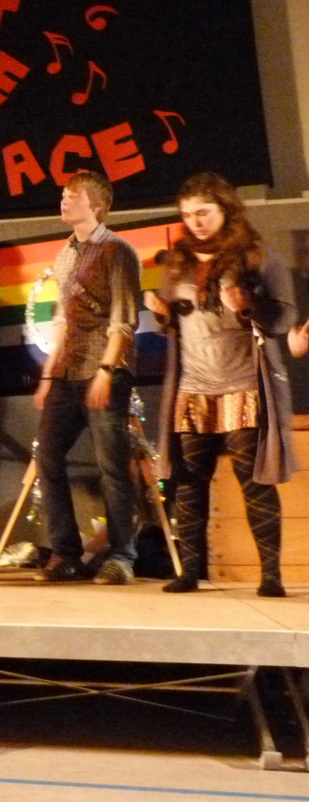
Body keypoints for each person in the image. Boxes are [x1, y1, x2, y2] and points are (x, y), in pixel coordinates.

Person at [150, 173, 294, 597]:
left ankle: (271, 576)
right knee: (189, 482)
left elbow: (283, 318)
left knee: (255, 482)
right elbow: (178, 325)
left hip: (243, 384)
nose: (195, 223)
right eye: (188, 215)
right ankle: (190, 572)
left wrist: (248, 304)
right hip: (193, 386)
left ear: (225, 209)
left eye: (204, 213)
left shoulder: (254, 256)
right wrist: (161, 314)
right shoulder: (177, 262)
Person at [31, 170, 142, 585]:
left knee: (111, 466)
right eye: (63, 194)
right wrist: (47, 373)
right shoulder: (65, 252)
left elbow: (123, 319)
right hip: (66, 372)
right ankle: (66, 554)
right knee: (47, 456)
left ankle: (122, 556)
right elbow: (63, 317)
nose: (64, 200)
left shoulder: (117, 250)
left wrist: (107, 371)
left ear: (96, 205)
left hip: (102, 369)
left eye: (73, 196)